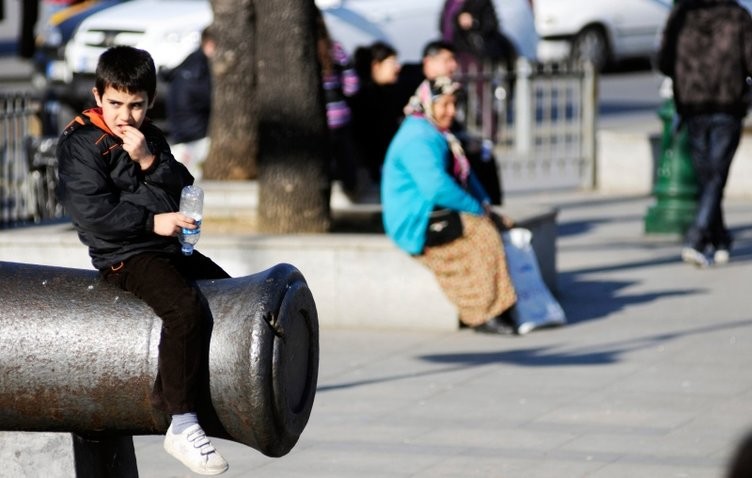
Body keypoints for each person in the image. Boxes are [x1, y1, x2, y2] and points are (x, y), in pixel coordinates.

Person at [56, 46, 230, 475]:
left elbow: (183, 186)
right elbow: (93, 216)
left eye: (136, 105)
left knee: (230, 298)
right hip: (125, 256)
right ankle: (182, 422)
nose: (125, 115)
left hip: (167, 246)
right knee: (184, 309)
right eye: (115, 103)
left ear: (150, 101)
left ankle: (174, 398)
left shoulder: (150, 137)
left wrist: (149, 162)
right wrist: (155, 223)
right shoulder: (80, 143)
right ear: (98, 96)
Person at [381, 76, 517, 335]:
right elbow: (437, 187)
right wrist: (476, 209)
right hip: (415, 220)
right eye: (445, 104)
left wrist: (484, 203)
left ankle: (502, 305)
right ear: (428, 104)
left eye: (454, 104)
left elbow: (464, 175)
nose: (451, 111)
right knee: (482, 234)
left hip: (435, 209)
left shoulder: (435, 132)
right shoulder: (418, 137)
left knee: (501, 224)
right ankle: (483, 313)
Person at [657, 0, 752, 267]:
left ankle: (715, 237)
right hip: (727, 102)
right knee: (715, 175)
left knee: (708, 175)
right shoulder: (737, 15)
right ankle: (701, 237)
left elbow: (664, 60)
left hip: (692, 102)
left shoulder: (683, 14)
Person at [315, 9, 361, 198]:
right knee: (345, 157)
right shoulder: (335, 49)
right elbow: (352, 86)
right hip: (339, 115)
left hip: (316, 117)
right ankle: (351, 188)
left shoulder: (297, 51)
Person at [164, 27, 216, 180]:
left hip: (184, 132)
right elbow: (209, 100)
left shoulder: (191, 63)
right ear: (209, 44)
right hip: (193, 136)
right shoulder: (198, 71)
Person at [349, 41, 403, 185]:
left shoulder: (387, 93)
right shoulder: (366, 98)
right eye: (392, 62)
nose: (397, 68)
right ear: (376, 66)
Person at [439, 0, 516, 72]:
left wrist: (473, 21)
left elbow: (491, 24)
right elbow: (444, 25)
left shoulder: (480, 2)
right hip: (452, 51)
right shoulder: (450, 3)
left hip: (473, 53)